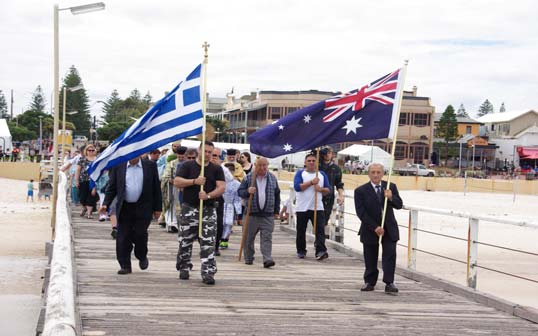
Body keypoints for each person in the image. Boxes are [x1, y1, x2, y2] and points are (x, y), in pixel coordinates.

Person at [174, 141, 225, 285]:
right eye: (206, 151)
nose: (208, 154)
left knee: (208, 242)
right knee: (185, 241)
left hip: (208, 210)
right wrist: (195, 181)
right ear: (199, 150)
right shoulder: (187, 166)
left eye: (210, 152)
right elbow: (177, 182)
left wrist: (208, 195)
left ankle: (208, 271)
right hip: (189, 209)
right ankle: (184, 266)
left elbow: (221, 187)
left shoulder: (216, 169)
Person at [101, 155, 162, 275]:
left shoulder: (150, 166)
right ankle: (125, 265)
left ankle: (141, 255)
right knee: (123, 237)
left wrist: (158, 208)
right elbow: (112, 187)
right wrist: (105, 204)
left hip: (144, 207)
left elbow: (156, 188)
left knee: (140, 234)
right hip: (125, 207)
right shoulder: (119, 166)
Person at [354, 162, 403, 294]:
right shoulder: (360, 191)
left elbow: (399, 205)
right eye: (373, 172)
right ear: (369, 174)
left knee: (390, 255)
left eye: (378, 172)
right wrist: (375, 227)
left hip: (389, 228)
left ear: (382, 173)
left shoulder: (390, 187)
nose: (376, 175)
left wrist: (391, 197)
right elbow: (361, 212)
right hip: (370, 228)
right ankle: (369, 282)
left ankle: (389, 282)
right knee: (370, 256)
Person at [238, 157, 280, 268]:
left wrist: (276, 211)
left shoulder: (273, 178)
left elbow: (277, 195)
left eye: (264, 165)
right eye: (259, 165)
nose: (262, 168)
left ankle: (267, 259)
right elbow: (240, 192)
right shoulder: (248, 178)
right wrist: (247, 191)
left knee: (267, 238)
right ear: (255, 166)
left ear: (267, 165)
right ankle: (248, 257)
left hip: (267, 215)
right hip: (251, 214)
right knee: (248, 238)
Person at [293, 152, 331, 260]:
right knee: (301, 230)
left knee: (319, 230)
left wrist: (321, 189)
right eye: (309, 161)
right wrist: (311, 183)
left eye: (313, 161)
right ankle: (301, 250)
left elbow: (328, 189)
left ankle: (321, 250)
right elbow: (297, 187)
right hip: (302, 207)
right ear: (305, 162)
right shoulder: (300, 174)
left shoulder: (322, 174)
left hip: (317, 207)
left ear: (317, 162)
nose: (311, 163)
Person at [159, 146, 187, 228]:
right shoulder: (171, 163)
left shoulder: (188, 163)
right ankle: (171, 223)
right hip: (173, 187)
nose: (181, 158)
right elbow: (166, 176)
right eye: (179, 157)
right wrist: (171, 180)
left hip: (185, 187)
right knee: (171, 204)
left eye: (182, 157)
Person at [318, 147, 344, 231]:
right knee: (315, 218)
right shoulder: (317, 166)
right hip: (316, 195)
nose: (327, 155)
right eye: (325, 153)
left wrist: (340, 195)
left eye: (329, 153)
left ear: (332, 154)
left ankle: (319, 239)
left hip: (329, 197)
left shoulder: (336, 168)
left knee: (325, 218)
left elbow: (339, 184)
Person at [219, 163, 242, 250]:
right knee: (220, 222)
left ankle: (225, 240)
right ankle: (218, 239)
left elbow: (237, 198)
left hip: (230, 206)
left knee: (228, 223)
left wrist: (239, 212)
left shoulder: (236, 184)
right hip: (220, 205)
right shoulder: (219, 182)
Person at [75, 145, 99, 219]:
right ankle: (84, 207)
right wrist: (76, 180)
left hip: (93, 181)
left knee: (91, 197)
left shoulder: (97, 160)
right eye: (89, 150)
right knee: (82, 197)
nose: (91, 152)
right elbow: (78, 170)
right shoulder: (82, 159)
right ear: (86, 151)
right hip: (83, 180)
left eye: (92, 150)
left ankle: (89, 213)